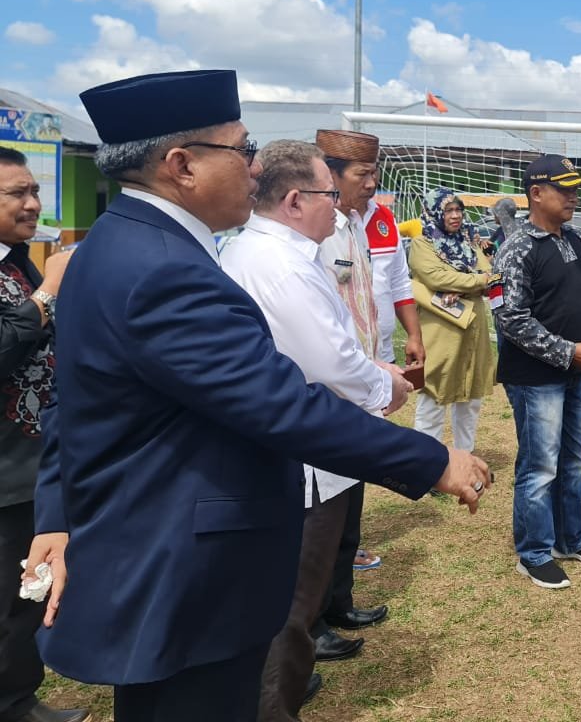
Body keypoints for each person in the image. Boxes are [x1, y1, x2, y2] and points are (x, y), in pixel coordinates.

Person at [23, 70, 491, 722]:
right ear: (181, 165)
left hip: (159, 551)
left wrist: (55, 513)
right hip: (185, 568)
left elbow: (71, 400)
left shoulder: (118, 242)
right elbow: (278, 401)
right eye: (241, 151)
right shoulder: (163, 270)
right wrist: (432, 461)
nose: (254, 168)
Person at [221, 140, 420, 719]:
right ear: (294, 200)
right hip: (305, 459)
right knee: (292, 606)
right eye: (330, 193)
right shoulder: (282, 266)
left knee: (290, 601)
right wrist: (388, 386)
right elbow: (331, 362)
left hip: (299, 449)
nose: (338, 207)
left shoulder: (271, 253)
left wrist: (374, 373)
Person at [492, 155, 581, 589]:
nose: (573, 196)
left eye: (574, 188)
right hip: (534, 378)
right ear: (535, 193)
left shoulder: (576, 241)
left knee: (576, 458)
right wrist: (569, 352)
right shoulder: (517, 247)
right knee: (540, 465)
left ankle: (571, 538)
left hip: (573, 370)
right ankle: (533, 552)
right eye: (563, 189)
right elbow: (510, 318)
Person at [0, 149, 88, 722]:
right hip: (4, 471)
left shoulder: (21, 263)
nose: (33, 205)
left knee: (23, 594)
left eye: (34, 191)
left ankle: (16, 696)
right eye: (16, 195)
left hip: (32, 461)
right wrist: (50, 292)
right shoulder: (36, 274)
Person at [311, 129, 395, 643]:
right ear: (330, 176)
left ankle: (339, 602)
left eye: (373, 173)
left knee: (349, 503)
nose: (373, 183)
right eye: (363, 175)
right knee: (321, 512)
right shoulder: (315, 236)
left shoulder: (354, 225)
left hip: (361, 380)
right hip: (331, 387)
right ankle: (313, 620)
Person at [409, 187, 496, 452]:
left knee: (470, 400)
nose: (456, 216)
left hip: (474, 329)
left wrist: (464, 285)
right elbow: (436, 277)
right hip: (441, 329)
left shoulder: (470, 239)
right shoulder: (422, 243)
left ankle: (464, 458)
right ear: (435, 212)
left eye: (459, 209)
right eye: (449, 210)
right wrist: (475, 282)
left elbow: (491, 274)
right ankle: (429, 465)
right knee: (434, 396)